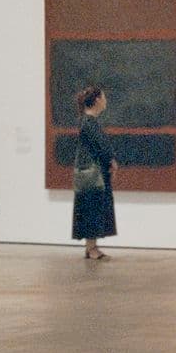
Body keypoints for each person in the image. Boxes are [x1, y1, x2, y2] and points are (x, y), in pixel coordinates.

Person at [72, 86, 119, 260]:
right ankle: (91, 248)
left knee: (93, 207)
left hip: (94, 173)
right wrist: (112, 161)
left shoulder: (88, 121)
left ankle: (92, 246)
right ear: (97, 100)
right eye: (104, 97)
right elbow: (101, 146)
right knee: (92, 208)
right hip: (93, 175)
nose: (105, 101)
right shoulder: (89, 122)